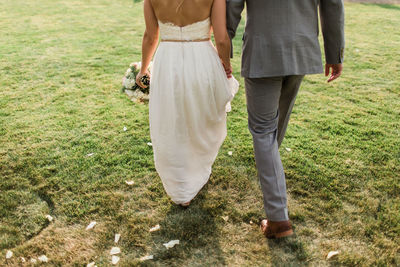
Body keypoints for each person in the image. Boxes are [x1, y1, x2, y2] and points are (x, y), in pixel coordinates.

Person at [226, 0, 345, 238]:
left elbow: (232, 5)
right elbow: (332, 4)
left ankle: (278, 218)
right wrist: (335, 52)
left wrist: (224, 43)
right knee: (273, 127)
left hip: (263, 49)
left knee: (263, 130)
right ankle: (270, 171)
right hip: (300, 49)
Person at [136, 0, 238, 207]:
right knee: (201, 117)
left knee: (172, 120)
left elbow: (150, 36)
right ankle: (193, 174)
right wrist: (226, 65)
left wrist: (144, 69)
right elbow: (222, 39)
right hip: (201, 59)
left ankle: (181, 187)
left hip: (167, 61)